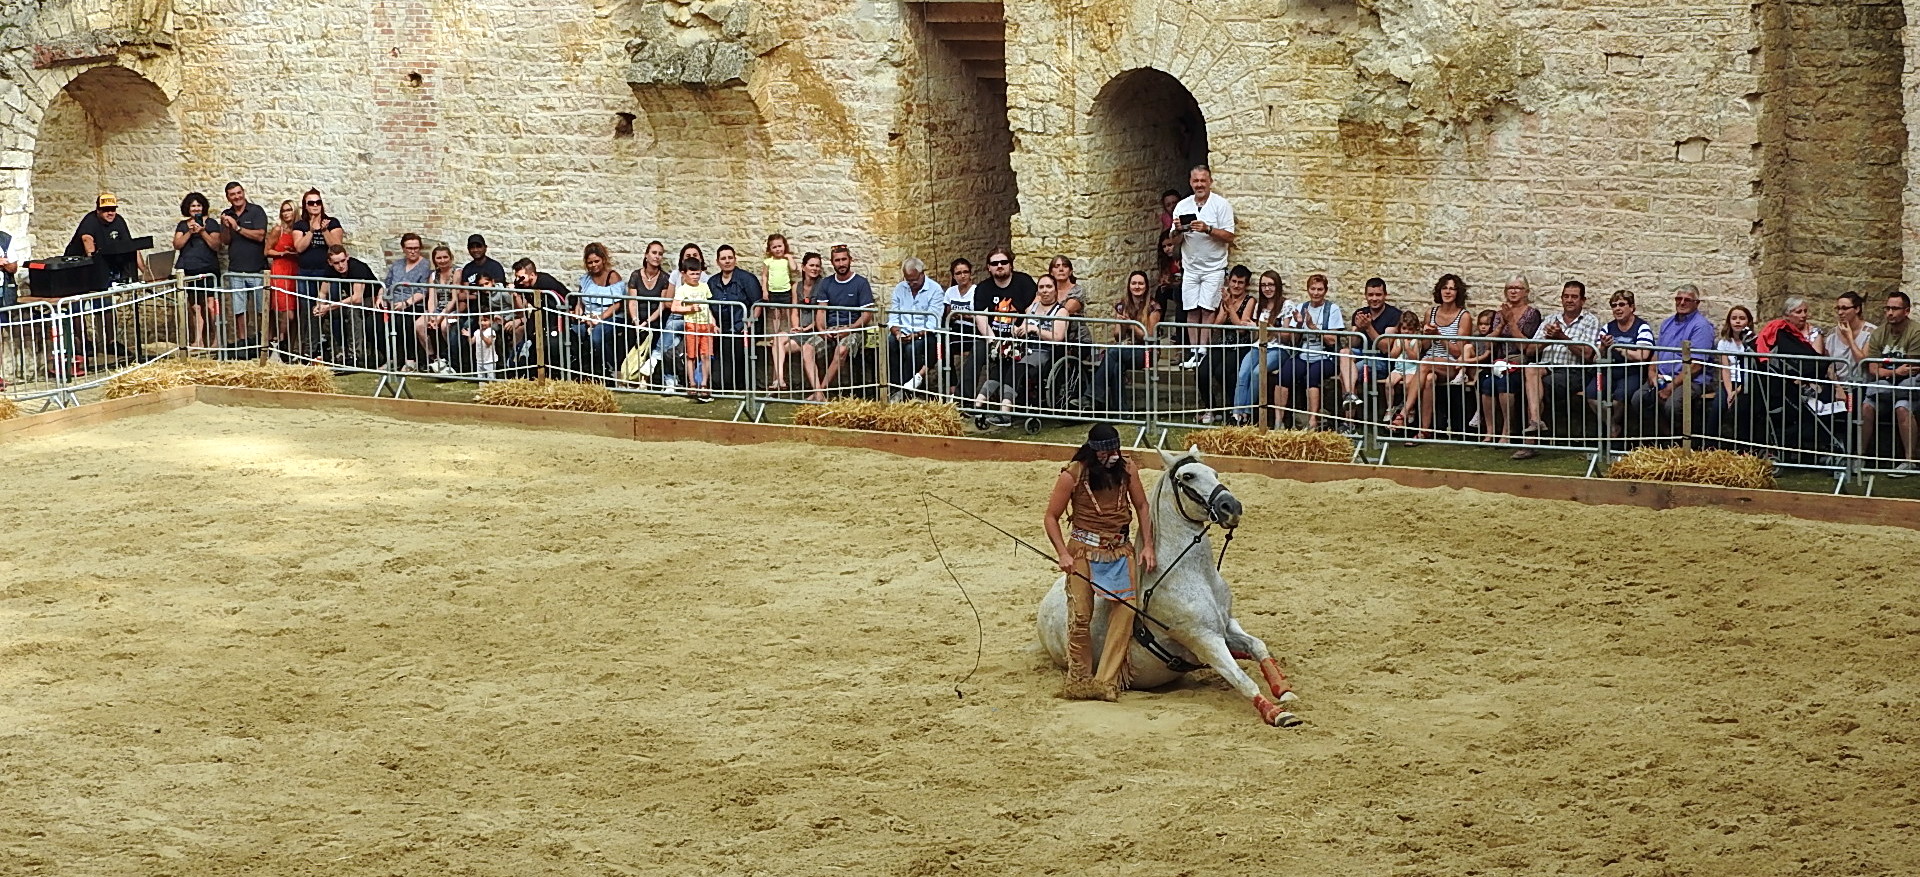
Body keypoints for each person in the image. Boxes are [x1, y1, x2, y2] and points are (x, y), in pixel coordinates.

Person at [1043, 424, 1157, 702]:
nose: (1112, 456)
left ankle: (1106, 681)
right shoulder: (1072, 475)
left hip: (1120, 549)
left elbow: (1142, 505)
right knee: (1081, 615)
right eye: (1106, 451)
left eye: (1115, 450)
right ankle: (1079, 679)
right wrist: (1062, 554)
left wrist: (1148, 545)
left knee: (1127, 609)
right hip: (1083, 550)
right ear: (1094, 452)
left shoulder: (1127, 468)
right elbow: (1051, 517)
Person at [1511, 281, 1600, 459]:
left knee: (1537, 386)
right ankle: (1536, 422)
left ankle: (1530, 442)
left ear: (1583, 300)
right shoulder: (1551, 319)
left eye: (1574, 297)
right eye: (1566, 296)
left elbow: (1588, 354)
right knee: (1531, 370)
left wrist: (1561, 337)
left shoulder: (1590, 321)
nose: (1569, 300)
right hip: (1547, 366)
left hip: (1573, 370)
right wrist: (1549, 339)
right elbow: (1529, 350)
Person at [1173, 165, 1235, 368]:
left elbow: (1229, 236)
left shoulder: (1221, 204)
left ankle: (1204, 351)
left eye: (1203, 181)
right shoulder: (1183, 206)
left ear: (1210, 182)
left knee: (1207, 309)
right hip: (1190, 266)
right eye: (1195, 181)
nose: (1199, 184)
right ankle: (1193, 352)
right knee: (1191, 309)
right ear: (1190, 182)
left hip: (1214, 266)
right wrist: (1178, 230)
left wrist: (1207, 229)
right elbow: (1174, 240)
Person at [1641, 283, 1719, 435]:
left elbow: (1696, 366)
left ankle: (1685, 441)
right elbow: (1658, 351)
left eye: (1687, 300)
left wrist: (1672, 386)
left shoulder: (1701, 327)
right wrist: (1651, 371)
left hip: (1690, 379)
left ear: (1697, 303)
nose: (1682, 303)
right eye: (1678, 299)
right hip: (1664, 376)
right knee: (1640, 398)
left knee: (1673, 405)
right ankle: (1666, 438)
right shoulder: (1667, 323)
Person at [1273, 273, 1345, 430]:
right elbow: (1292, 340)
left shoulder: (1332, 309)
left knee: (1312, 376)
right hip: (1303, 353)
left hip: (1326, 355)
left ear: (1325, 291)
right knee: (1284, 374)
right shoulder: (1301, 307)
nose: (1316, 293)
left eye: (1320, 289)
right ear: (1308, 289)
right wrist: (1299, 325)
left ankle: (1312, 421)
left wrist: (1313, 327)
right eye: (1313, 289)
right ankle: (1279, 420)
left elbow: (1332, 340)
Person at [804, 245, 875, 402]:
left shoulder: (861, 283)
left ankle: (819, 392)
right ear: (832, 262)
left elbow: (867, 315)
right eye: (837, 260)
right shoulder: (826, 283)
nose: (841, 263)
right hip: (830, 329)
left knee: (842, 350)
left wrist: (849, 329)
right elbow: (821, 311)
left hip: (854, 329)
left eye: (844, 259)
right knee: (807, 348)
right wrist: (822, 330)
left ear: (850, 260)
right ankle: (819, 393)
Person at [1859, 291, 1920, 475]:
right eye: (1888, 308)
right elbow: (1872, 369)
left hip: (1909, 385)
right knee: (1867, 405)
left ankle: (1909, 461)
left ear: (1906, 311)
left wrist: (1887, 373)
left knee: (1902, 404)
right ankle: (1860, 456)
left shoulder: (1915, 332)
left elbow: (1912, 368)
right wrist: (1895, 372)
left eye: (1895, 308)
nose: (1890, 313)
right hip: (1886, 384)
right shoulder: (1878, 333)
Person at [1477, 275, 1541, 441]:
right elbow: (1490, 344)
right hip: (1499, 361)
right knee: (1486, 382)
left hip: (1520, 361)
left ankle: (1507, 429)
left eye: (1517, 288)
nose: (1513, 291)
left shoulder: (1532, 314)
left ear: (1526, 292)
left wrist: (1512, 323)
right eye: (1509, 288)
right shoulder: (1499, 314)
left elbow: (1526, 347)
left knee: (1505, 382)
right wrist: (1500, 325)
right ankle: (1490, 430)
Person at [1091, 270, 1162, 412]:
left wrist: (1132, 325)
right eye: (1134, 283)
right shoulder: (1122, 305)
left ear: (1146, 286)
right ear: (1129, 286)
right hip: (1125, 349)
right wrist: (1120, 323)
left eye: (1140, 283)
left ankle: (1094, 394)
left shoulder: (1154, 307)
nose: (1137, 286)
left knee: (1112, 352)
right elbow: (1118, 336)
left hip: (1147, 353)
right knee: (1115, 365)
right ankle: (1122, 412)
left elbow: (1149, 337)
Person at [1594, 290, 1655, 438]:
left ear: (1632, 307)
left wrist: (1618, 348)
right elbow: (1595, 357)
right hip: (1609, 371)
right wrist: (1603, 347)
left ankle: (1613, 429)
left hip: (1632, 372)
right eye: (1614, 305)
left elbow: (1643, 355)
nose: (1617, 309)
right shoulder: (1608, 328)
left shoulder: (1642, 327)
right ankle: (1612, 427)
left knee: (1619, 399)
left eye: (1622, 304)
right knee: (1592, 394)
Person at [1231, 270, 1287, 424]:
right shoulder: (1259, 306)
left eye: (1270, 285)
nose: (1267, 288)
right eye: (1263, 285)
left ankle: (1247, 413)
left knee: (1257, 372)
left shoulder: (1286, 305)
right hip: (1259, 345)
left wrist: (1267, 327)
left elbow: (1287, 336)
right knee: (1243, 373)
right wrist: (1253, 327)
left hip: (1278, 348)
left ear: (1277, 286)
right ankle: (1237, 415)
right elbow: (1256, 333)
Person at [218, 182, 269, 348]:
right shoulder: (228, 214)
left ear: (243, 193)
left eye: (239, 193)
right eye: (232, 194)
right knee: (239, 309)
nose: (237, 197)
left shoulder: (256, 211)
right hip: (236, 269)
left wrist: (237, 227)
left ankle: (265, 341)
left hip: (257, 268)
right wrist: (226, 227)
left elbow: (260, 236)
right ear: (228, 197)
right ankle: (243, 342)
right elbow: (225, 241)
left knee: (263, 308)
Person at [1337, 277, 1400, 412]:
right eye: (1370, 295)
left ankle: (1349, 423)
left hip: (1381, 360)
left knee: (1347, 374)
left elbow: (1385, 347)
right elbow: (1352, 344)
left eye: (1378, 294)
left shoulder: (1394, 315)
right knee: (1344, 352)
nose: (1374, 298)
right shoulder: (1360, 313)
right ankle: (1350, 396)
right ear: (1365, 295)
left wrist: (1368, 327)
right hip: (1362, 353)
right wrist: (1358, 329)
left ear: (1385, 295)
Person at [706, 244, 763, 390]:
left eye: (730, 258)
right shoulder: (712, 282)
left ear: (735, 260)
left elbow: (757, 304)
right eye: (723, 258)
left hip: (742, 326)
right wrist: (712, 323)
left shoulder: (747, 279)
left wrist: (748, 325)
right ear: (718, 262)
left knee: (733, 348)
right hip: (720, 327)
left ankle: (736, 385)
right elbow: (707, 306)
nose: (727, 261)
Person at [173, 191, 225, 350]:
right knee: (195, 307)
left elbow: (216, 245)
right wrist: (190, 232)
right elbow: (177, 244)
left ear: (203, 207)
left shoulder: (211, 223)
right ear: (187, 208)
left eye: (198, 205)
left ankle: (217, 339)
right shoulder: (183, 225)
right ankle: (198, 340)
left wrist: (202, 231)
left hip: (208, 268)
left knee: (211, 305)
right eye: (192, 206)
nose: (195, 208)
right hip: (189, 269)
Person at [310, 244, 377, 364]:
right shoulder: (329, 269)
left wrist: (328, 307)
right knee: (319, 313)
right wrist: (319, 306)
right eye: (336, 263)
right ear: (330, 263)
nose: (341, 266)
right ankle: (334, 353)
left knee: (353, 312)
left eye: (343, 261)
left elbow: (357, 298)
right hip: (350, 299)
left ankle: (356, 356)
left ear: (347, 257)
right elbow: (322, 292)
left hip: (371, 298)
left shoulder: (357, 267)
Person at [768, 251, 823, 393]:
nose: (814, 268)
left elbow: (821, 313)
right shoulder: (796, 287)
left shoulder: (823, 286)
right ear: (803, 267)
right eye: (811, 265)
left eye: (817, 266)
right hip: (800, 330)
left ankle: (776, 382)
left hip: (814, 331)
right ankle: (780, 379)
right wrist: (796, 326)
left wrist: (808, 328)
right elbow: (794, 310)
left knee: (777, 347)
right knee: (778, 338)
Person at [887, 257, 943, 397]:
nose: (911, 284)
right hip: (904, 331)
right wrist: (897, 332)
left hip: (925, 334)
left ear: (922, 274)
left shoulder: (935, 290)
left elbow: (933, 322)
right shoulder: (900, 288)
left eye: (914, 280)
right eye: (908, 280)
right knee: (890, 342)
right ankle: (895, 386)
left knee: (912, 348)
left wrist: (916, 335)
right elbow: (893, 316)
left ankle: (908, 389)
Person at [377, 233, 432, 370]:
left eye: (416, 248)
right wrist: (380, 298)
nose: (413, 251)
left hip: (413, 304)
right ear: (403, 249)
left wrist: (406, 303)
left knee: (403, 323)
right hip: (392, 303)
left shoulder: (425, 265)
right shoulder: (397, 265)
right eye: (409, 248)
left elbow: (423, 290)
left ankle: (410, 360)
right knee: (374, 323)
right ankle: (391, 357)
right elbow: (386, 284)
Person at [509, 257, 572, 377]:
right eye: (516, 276)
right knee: (530, 338)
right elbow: (521, 309)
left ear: (532, 275)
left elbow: (562, 301)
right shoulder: (521, 285)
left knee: (550, 343)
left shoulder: (546, 282)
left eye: (521, 277)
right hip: (540, 314)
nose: (518, 280)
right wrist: (515, 295)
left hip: (557, 314)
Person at [575, 242, 627, 378]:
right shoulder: (585, 279)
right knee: (575, 332)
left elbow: (617, 304)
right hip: (590, 316)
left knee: (597, 336)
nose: (593, 265)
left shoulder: (613, 277)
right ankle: (584, 369)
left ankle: (612, 368)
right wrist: (580, 315)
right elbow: (580, 302)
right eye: (590, 262)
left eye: (596, 261)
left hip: (611, 316)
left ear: (603, 259)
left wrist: (599, 318)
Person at [626, 240, 676, 385]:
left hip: (655, 318)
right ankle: (631, 376)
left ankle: (648, 378)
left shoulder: (665, 278)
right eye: (654, 253)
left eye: (660, 254)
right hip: (636, 317)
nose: (657, 256)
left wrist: (647, 322)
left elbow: (662, 304)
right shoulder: (635, 276)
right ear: (646, 255)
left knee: (654, 336)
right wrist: (636, 321)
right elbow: (632, 300)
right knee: (631, 336)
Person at [66, 193, 138, 291]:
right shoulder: (90, 220)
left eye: (113, 210)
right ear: (98, 210)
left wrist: (146, 272)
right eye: (106, 210)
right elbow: (87, 239)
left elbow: (130, 246)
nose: (110, 213)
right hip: (79, 270)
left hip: (106, 268)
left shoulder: (119, 221)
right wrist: (94, 265)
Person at [671, 255, 716, 401]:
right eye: (692, 274)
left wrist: (713, 323)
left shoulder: (704, 287)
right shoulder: (683, 290)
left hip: (706, 325)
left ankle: (704, 384)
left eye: (698, 273)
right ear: (684, 274)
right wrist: (690, 308)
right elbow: (674, 307)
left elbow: (707, 307)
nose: (695, 277)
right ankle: (691, 384)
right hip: (691, 325)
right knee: (691, 356)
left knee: (706, 355)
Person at [1714, 304, 1759, 450]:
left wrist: (1738, 390)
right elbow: (1725, 369)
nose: (1737, 322)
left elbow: (1751, 368)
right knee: (1717, 406)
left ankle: (1742, 448)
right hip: (1729, 382)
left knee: (1742, 407)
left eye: (1742, 318)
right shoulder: (1724, 343)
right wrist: (1729, 392)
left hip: (1747, 381)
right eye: (1734, 318)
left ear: (1748, 321)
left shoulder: (1754, 342)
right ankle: (1709, 446)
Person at [418, 245, 465, 373]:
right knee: (420, 325)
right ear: (434, 260)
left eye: (445, 257)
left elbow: (455, 298)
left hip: (453, 308)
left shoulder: (457, 272)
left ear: (450, 258)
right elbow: (432, 298)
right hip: (439, 308)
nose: (442, 260)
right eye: (439, 258)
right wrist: (432, 315)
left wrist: (441, 316)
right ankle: (433, 357)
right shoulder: (433, 275)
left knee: (445, 326)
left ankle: (450, 359)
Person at [760, 233, 798, 336]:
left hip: (785, 291)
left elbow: (794, 268)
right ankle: (776, 334)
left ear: (784, 246)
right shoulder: (768, 261)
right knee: (776, 315)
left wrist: (789, 257)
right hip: (773, 291)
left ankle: (789, 332)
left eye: (780, 246)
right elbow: (764, 276)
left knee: (787, 313)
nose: (777, 249)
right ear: (770, 249)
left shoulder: (786, 261)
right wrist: (765, 290)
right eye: (774, 247)